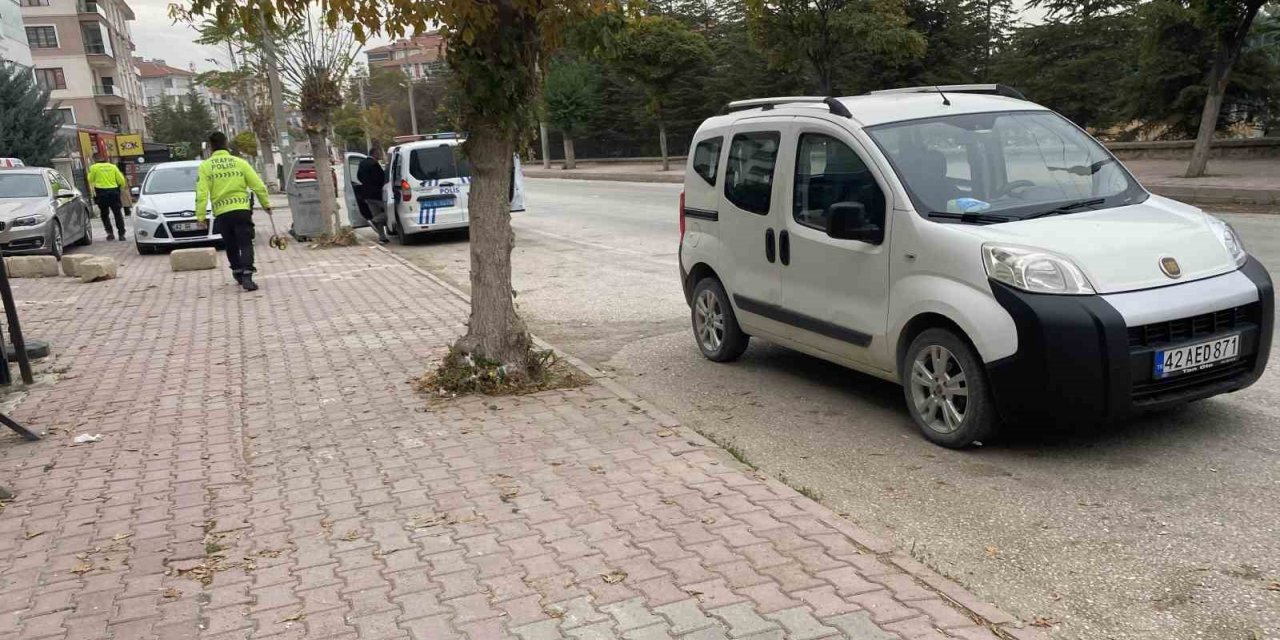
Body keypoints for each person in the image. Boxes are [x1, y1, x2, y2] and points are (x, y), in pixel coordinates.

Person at [195, 132, 272, 292]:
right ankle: (247, 275)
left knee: (231, 244)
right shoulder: (240, 163)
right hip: (242, 210)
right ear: (226, 143)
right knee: (245, 243)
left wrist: (200, 216)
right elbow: (258, 185)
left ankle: (237, 271)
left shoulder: (205, 166)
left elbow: (201, 193)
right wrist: (266, 204)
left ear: (211, 146)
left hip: (223, 213)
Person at [86, 153, 128, 241]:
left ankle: (110, 233)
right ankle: (121, 234)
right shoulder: (113, 167)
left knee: (104, 214)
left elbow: (90, 180)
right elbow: (121, 180)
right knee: (117, 213)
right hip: (114, 192)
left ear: (94, 160)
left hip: (101, 193)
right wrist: (119, 188)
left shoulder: (94, 167)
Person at [355, 145, 390, 243]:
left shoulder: (362, 163)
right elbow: (380, 179)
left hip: (366, 194)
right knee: (389, 212)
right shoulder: (374, 164)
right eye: (379, 153)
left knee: (376, 214)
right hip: (377, 194)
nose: (380, 155)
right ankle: (374, 221)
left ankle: (382, 237)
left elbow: (359, 176)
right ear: (374, 153)